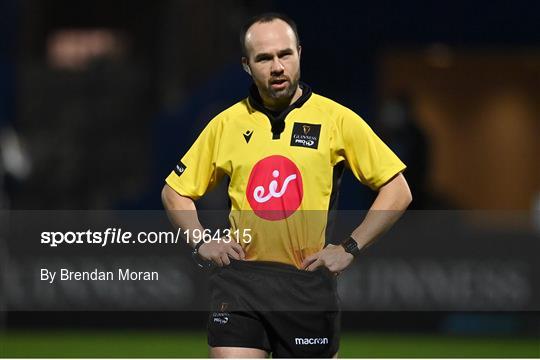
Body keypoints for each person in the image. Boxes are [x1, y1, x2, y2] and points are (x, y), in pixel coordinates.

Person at [162, 13, 412, 358]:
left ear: (299, 54)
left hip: (306, 285)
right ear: (247, 66)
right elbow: (174, 191)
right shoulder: (226, 124)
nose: (277, 66)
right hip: (240, 283)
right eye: (264, 58)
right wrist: (200, 240)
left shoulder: (336, 119)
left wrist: (350, 247)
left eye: (285, 54)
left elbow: (398, 189)